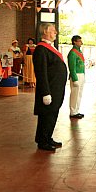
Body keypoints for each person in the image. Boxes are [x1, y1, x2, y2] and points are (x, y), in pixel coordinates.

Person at [33, 23, 67, 151]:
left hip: (56, 88)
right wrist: (46, 92)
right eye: (53, 30)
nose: (55, 33)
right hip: (49, 89)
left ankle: (47, 137)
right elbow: (41, 73)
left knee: (52, 114)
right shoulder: (41, 49)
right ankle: (42, 141)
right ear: (45, 32)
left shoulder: (50, 48)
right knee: (46, 115)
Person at [68, 35, 85, 119]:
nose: (81, 42)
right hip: (76, 75)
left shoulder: (79, 52)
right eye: (79, 41)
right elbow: (72, 67)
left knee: (79, 94)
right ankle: (72, 112)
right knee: (75, 94)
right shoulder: (72, 53)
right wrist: (74, 79)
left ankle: (76, 110)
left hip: (81, 74)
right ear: (74, 42)